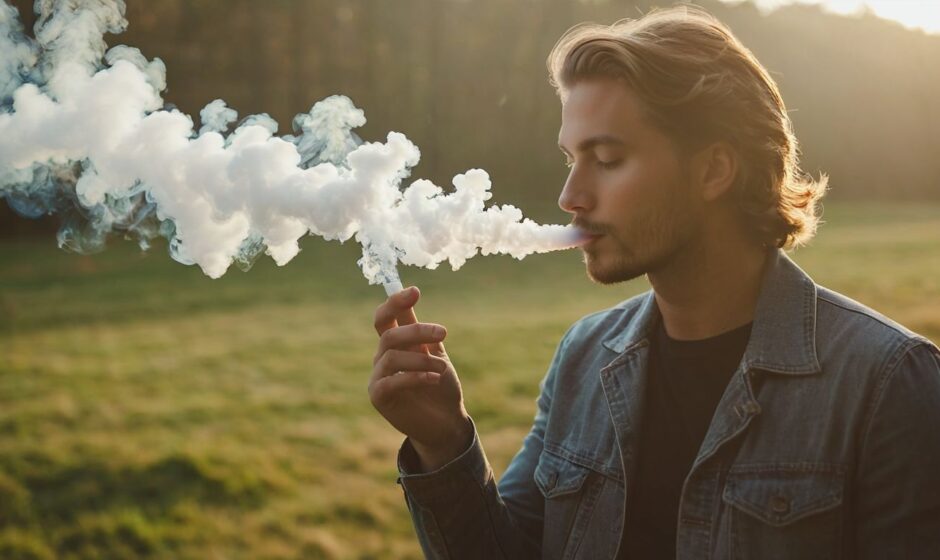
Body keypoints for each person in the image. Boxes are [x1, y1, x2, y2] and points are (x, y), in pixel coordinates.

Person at [367, 5, 940, 559]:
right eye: (572, 159)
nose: (570, 197)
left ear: (714, 170)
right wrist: (443, 442)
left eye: (608, 159)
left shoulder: (889, 383)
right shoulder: (584, 356)